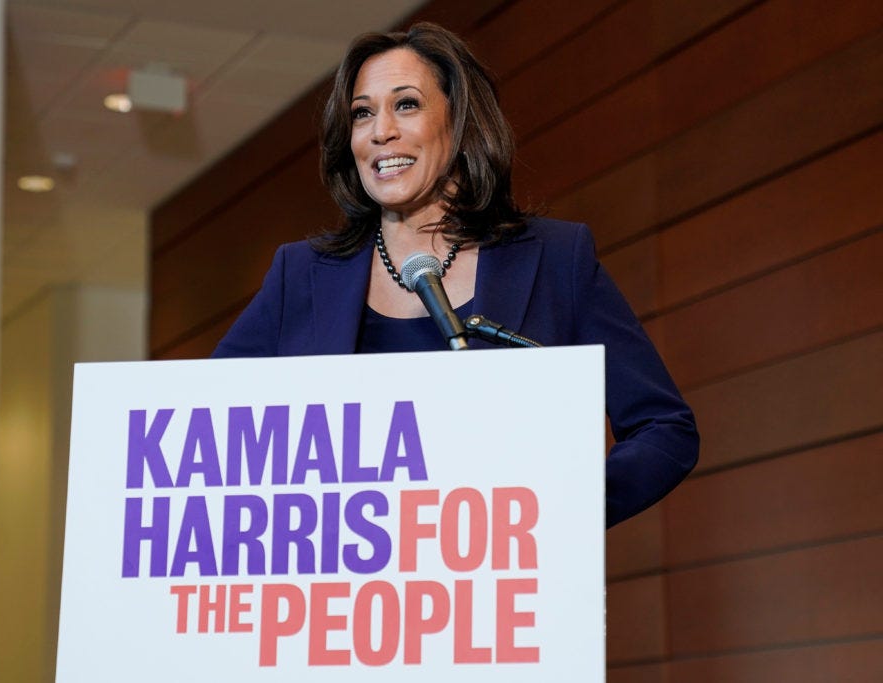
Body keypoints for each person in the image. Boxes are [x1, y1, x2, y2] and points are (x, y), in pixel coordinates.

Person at [212, 22, 698, 527]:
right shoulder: (301, 276)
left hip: (495, 593)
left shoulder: (555, 258)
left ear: (460, 122)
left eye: (406, 104)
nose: (381, 131)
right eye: (362, 113)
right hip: (336, 592)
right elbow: (199, 431)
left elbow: (665, 429)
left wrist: (562, 511)